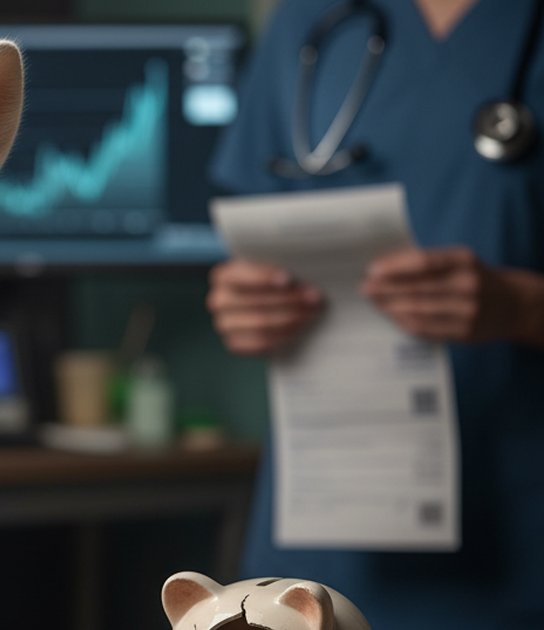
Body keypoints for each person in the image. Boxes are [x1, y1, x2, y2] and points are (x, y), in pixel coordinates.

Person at [207, 0, 544, 626]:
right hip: (321, 548)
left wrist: (524, 307)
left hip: (522, 544)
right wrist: (242, 304)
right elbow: (252, 227)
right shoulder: (307, 23)